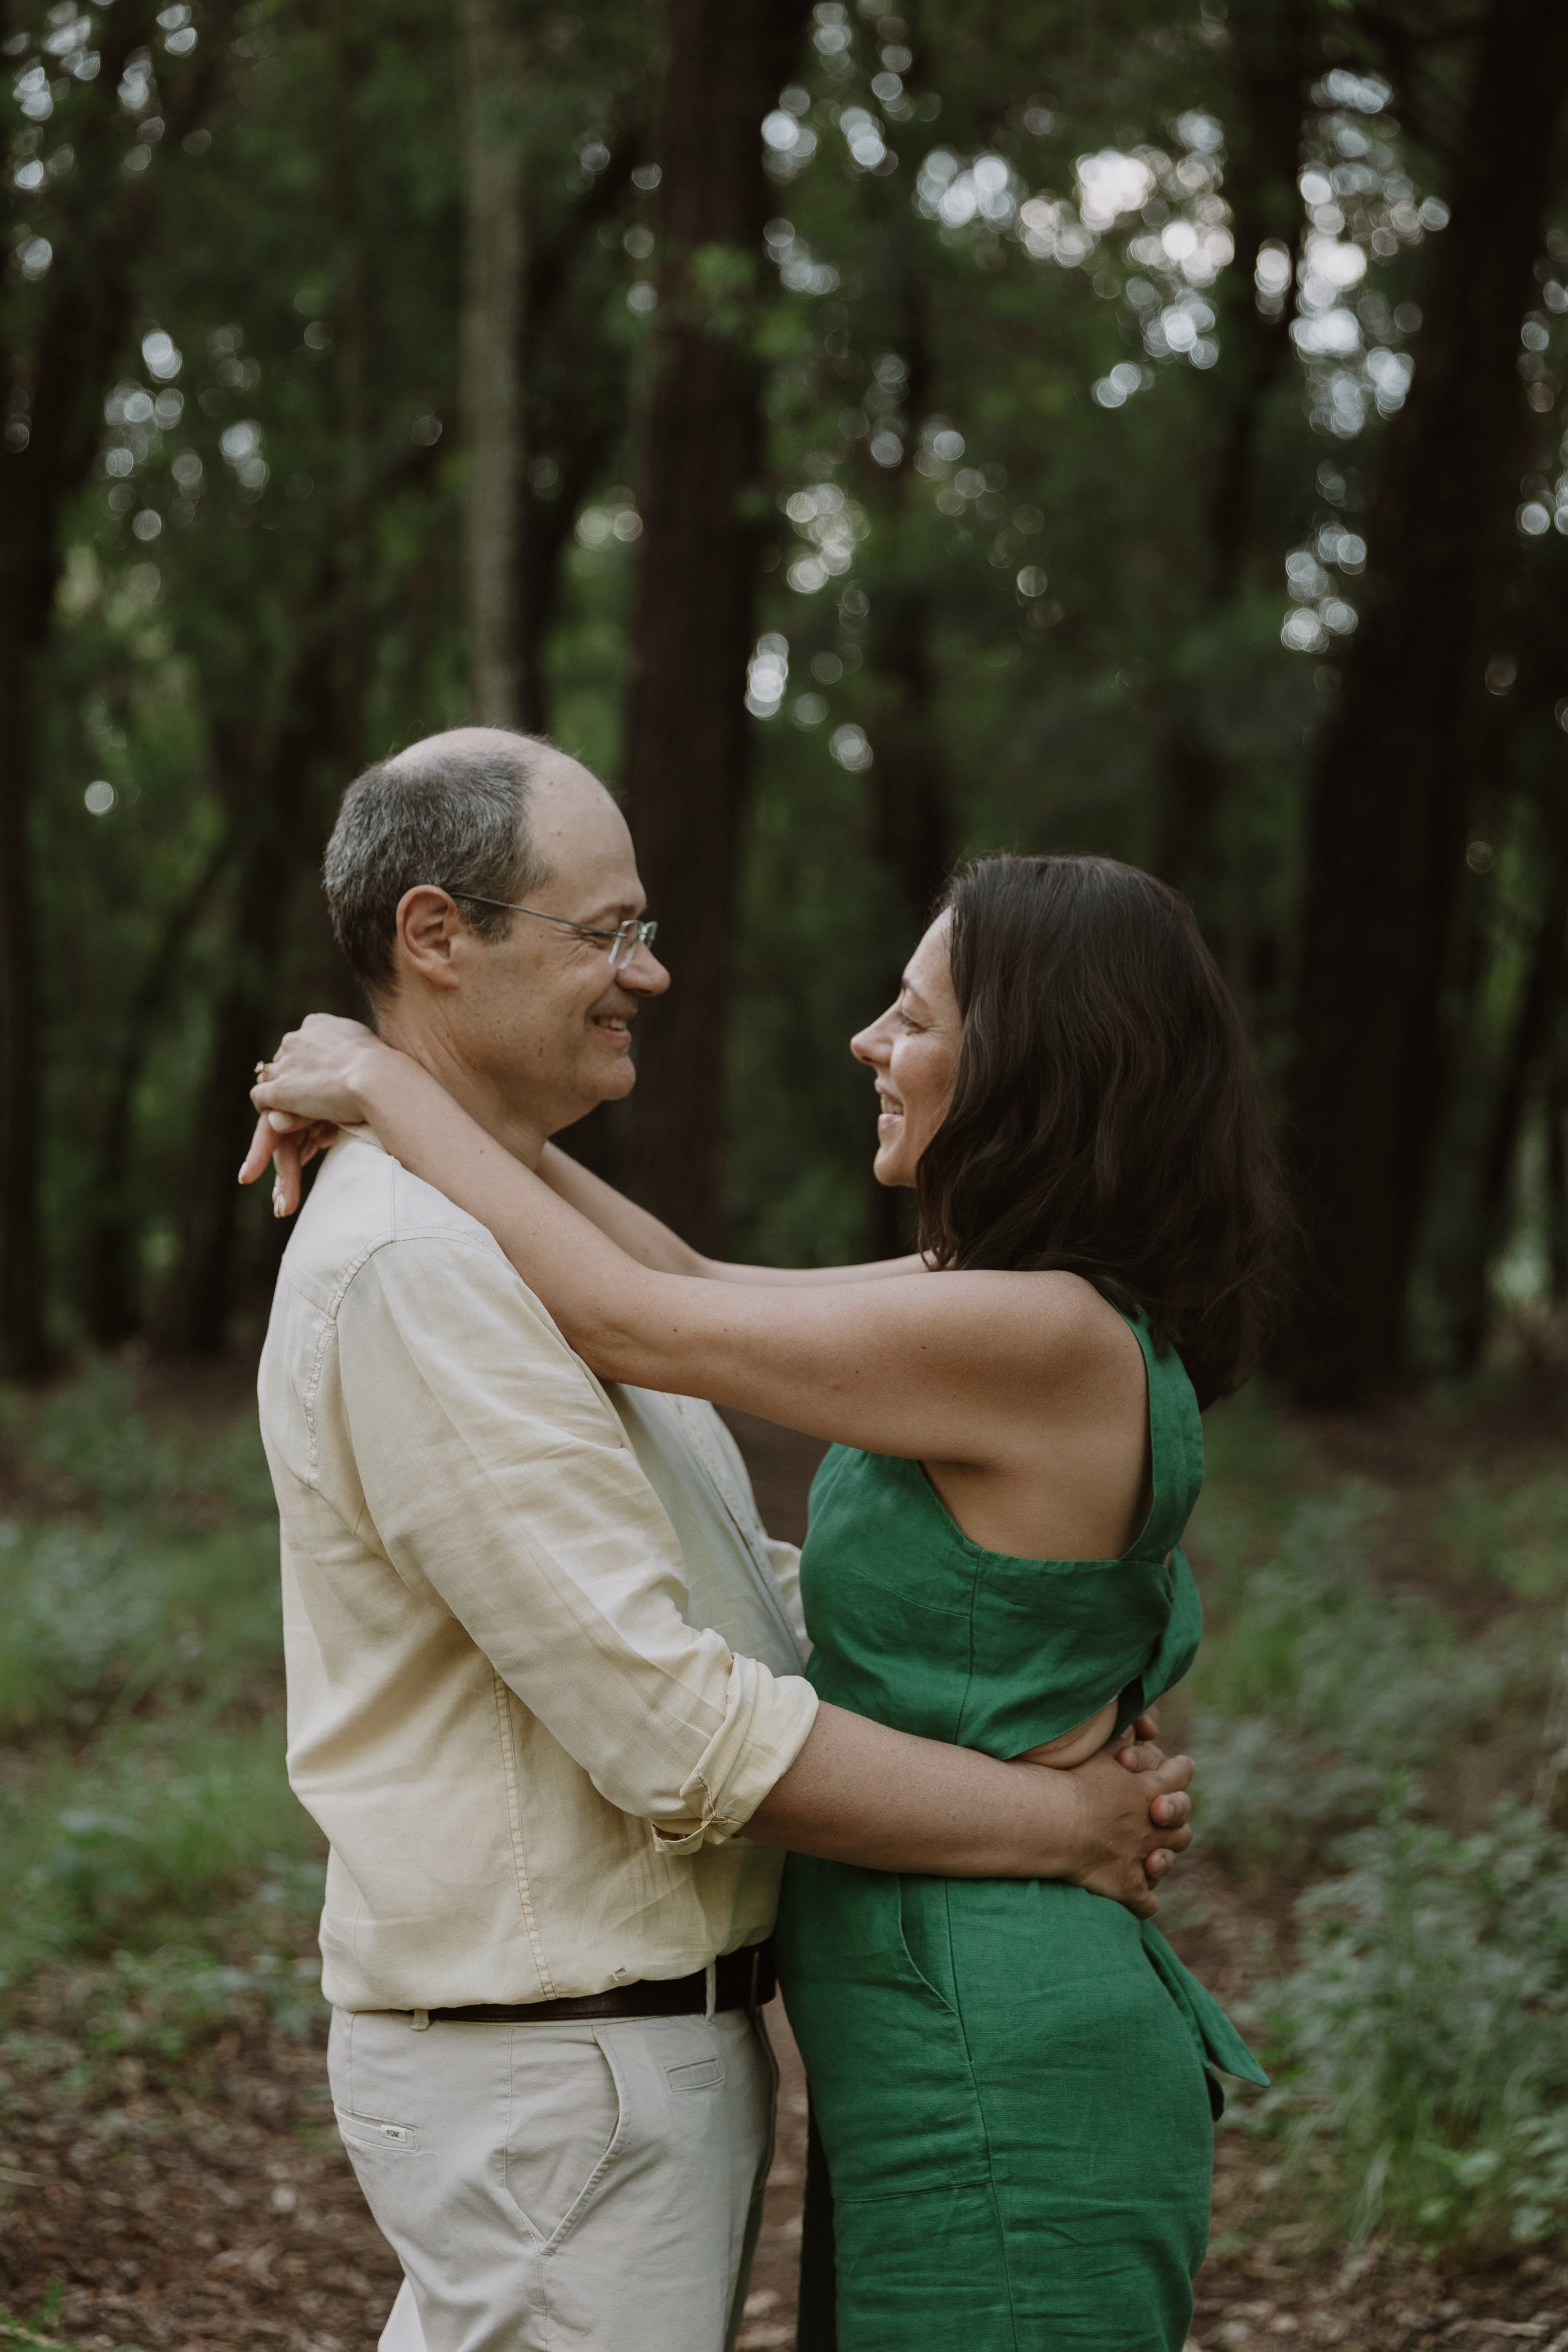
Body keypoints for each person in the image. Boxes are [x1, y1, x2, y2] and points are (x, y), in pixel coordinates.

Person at [242, 731, 1200, 2352]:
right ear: (435, 936)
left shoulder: (1030, 1323)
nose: (652, 972)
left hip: (893, 2041)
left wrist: (392, 1088)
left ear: (1028, 1059)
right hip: (605, 2069)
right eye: (607, 934)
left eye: (914, 1015)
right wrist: (398, 1103)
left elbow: (652, 1314)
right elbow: (671, 1295)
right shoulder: (427, 1265)